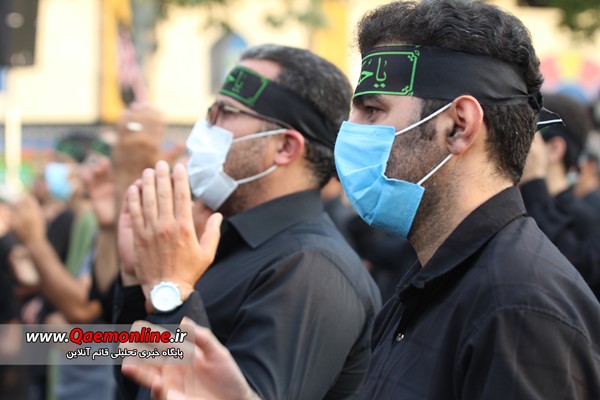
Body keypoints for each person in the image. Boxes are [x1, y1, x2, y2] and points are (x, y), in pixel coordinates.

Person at [122, 1, 600, 399]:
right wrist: (129, 278)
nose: (350, 133)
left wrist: (169, 294)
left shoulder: (520, 308)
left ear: (458, 127)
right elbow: (100, 358)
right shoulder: (428, 283)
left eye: (372, 110)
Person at [115, 44, 381, 400]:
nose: (203, 129)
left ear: (285, 148)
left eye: (225, 113)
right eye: (210, 111)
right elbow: (139, 383)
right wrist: (139, 280)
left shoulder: (311, 267)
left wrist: (170, 291)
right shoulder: (225, 243)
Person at [519, 93, 600, 300]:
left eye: (527, 136)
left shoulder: (587, 221)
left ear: (554, 149)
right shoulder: (518, 204)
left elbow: (571, 274)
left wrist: (534, 182)